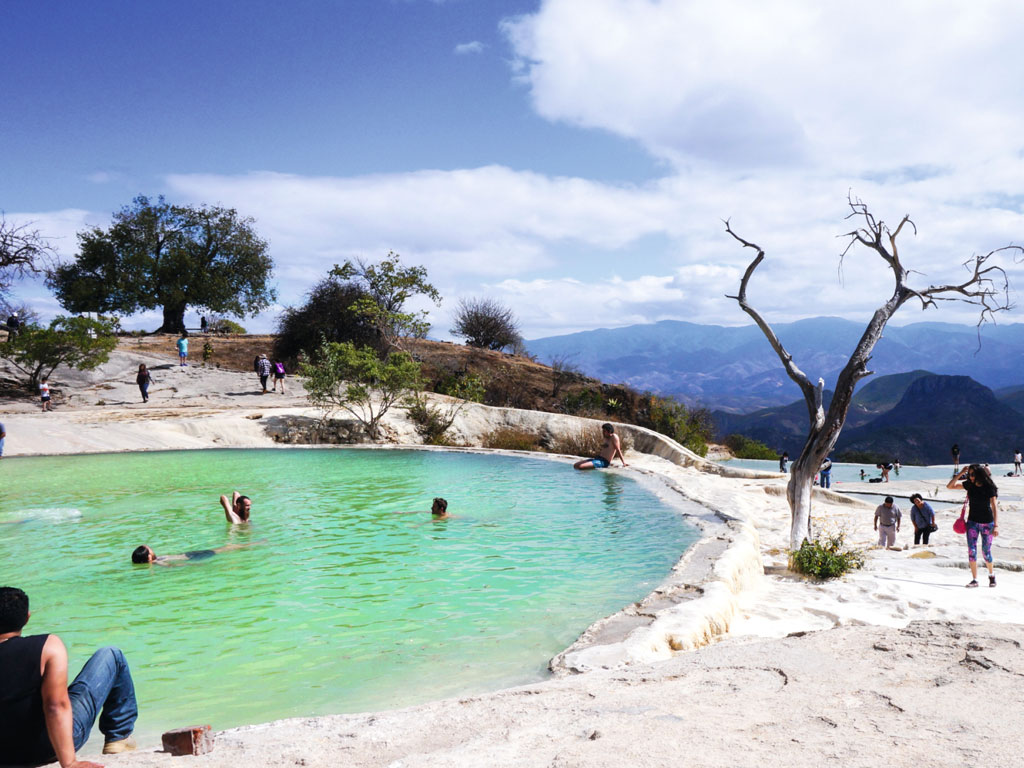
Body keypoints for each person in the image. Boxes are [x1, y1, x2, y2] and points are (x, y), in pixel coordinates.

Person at [0, 586, 138, 766]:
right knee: (111, 655)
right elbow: (55, 706)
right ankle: (118, 738)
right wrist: (70, 763)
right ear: (27, 617)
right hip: (46, 748)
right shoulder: (47, 646)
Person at [947, 463, 1000, 588]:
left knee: (986, 552)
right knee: (972, 551)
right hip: (972, 523)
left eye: (972, 474)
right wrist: (960, 473)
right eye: (969, 474)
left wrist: (996, 525)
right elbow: (950, 486)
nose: (970, 477)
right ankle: (974, 579)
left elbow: (994, 506)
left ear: (978, 474)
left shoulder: (988, 486)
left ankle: (991, 575)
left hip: (987, 523)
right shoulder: (969, 485)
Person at [131, 540, 259, 565]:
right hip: (192, 558)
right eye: (150, 549)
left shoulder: (157, 560)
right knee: (225, 548)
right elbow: (173, 566)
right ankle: (251, 544)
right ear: (148, 557)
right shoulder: (158, 562)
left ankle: (245, 545)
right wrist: (194, 565)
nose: (152, 549)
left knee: (224, 548)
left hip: (189, 554)